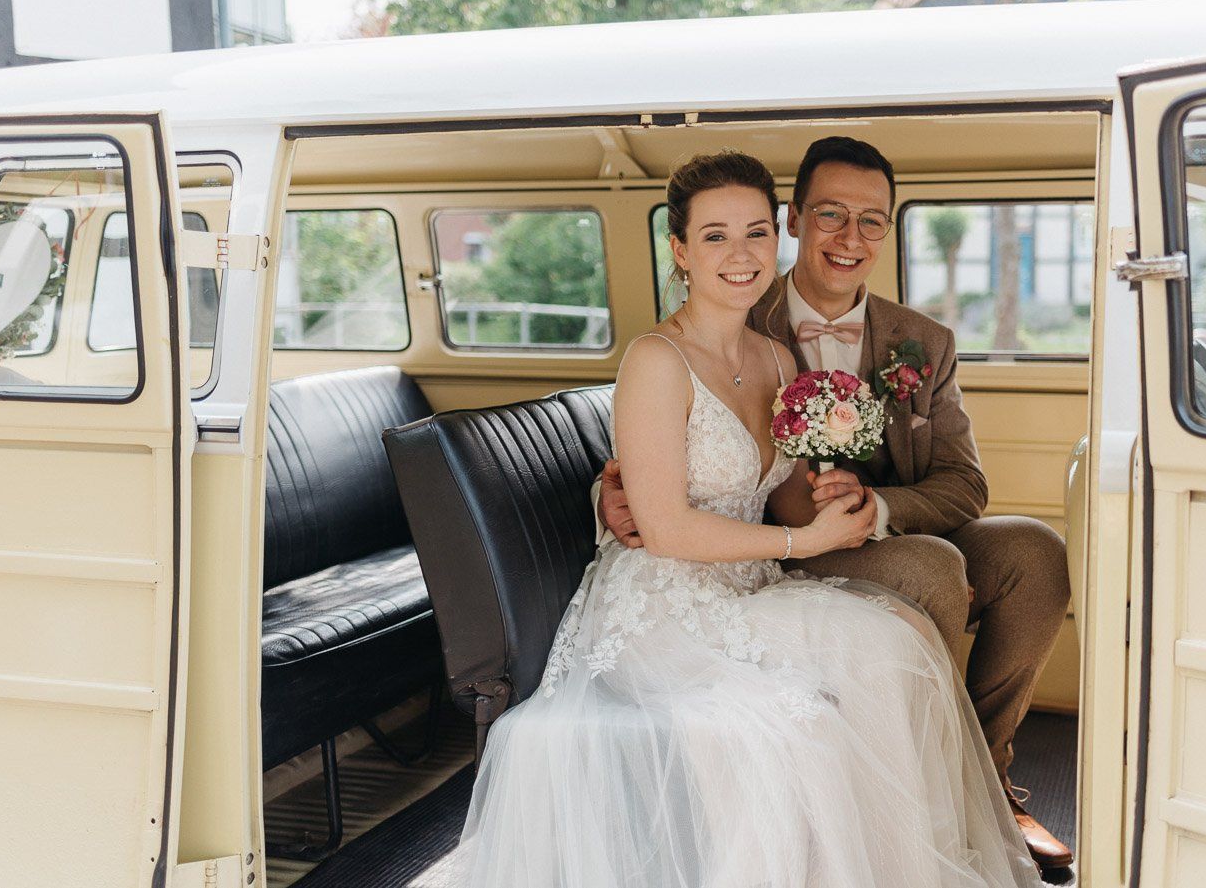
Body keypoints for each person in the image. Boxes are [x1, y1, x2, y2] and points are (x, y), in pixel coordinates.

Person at [456, 151, 1043, 888]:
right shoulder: (654, 358)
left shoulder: (775, 358)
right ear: (680, 250)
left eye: (754, 233)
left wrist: (837, 499)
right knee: (805, 713)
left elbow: (788, 490)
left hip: (752, 582)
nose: (741, 254)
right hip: (667, 601)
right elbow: (666, 528)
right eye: (716, 236)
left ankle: (929, 844)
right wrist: (805, 538)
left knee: (902, 641)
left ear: (776, 236)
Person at [598, 136, 1074, 870]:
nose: (851, 237)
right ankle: (939, 789)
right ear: (794, 220)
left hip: (856, 524)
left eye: (871, 220)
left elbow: (963, 484)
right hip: (766, 556)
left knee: (1034, 550)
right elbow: (664, 456)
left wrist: (871, 508)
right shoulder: (740, 312)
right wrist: (606, 494)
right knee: (932, 567)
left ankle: (987, 777)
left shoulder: (920, 341)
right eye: (830, 214)